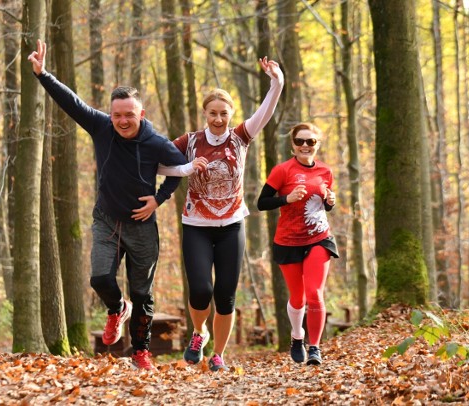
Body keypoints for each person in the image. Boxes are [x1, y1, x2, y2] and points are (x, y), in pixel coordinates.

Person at [28, 39, 204, 370]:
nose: (122, 121)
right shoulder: (101, 127)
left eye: (129, 115)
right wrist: (43, 74)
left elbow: (180, 171)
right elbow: (73, 103)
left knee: (143, 295)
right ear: (110, 114)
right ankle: (115, 309)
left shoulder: (156, 143)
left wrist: (159, 199)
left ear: (141, 114)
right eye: (117, 115)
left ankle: (141, 351)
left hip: (141, 226)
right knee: (99, 279)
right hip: (107, 219)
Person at [162, 57, 283, 371]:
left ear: (231, 114)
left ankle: (218, 354)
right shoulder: (190, 142)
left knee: (226, 294)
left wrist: (277, 81)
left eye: (223, 113)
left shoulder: (240, 137)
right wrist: (187, 168)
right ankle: (198, 333)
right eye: (212, 113)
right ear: (205, 113)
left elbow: (266, 111)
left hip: (231, 225)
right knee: (201, 290)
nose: (218, 118)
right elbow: (157, 164)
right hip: (197, 225)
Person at [256, 122, 338, 365]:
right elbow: (262, 203)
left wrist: (331, 201)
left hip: (319, 238)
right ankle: (297, 336)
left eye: (310, 141)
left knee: (315, 294)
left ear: (317, 145)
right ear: (292, 145)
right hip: (288, 240)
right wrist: (286, 199)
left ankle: (314, 348)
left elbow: (324, 205)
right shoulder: (282, 171)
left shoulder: (325, 171)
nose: (305, 145)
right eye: (300, 141)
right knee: (298, 297)